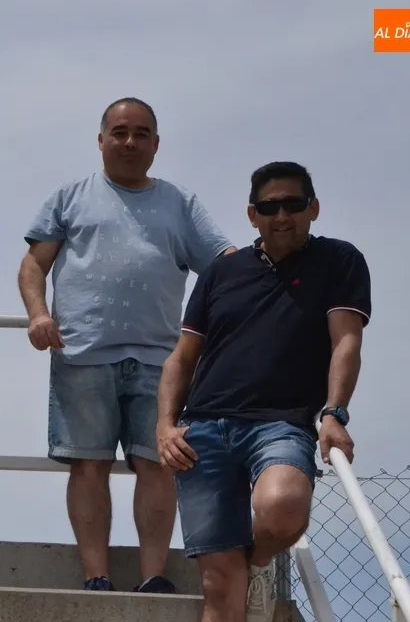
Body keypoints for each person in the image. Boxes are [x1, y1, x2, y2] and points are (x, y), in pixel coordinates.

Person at [17, 97, 236, 593]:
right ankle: (96, 576)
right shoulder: (70, 197)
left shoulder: (181, 203)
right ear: (101, 141)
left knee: (158, 466)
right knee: (88, 465)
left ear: (156, 144)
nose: (130, 142)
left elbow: (223, 266)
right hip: (82, 353)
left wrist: (267, 275)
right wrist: (38, 314)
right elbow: (33, 265)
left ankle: (153, 576)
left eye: (141, 134)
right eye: (119, 132)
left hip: (162, 360)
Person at [156, 161, 369, 622]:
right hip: (203, 429)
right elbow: (182, 358)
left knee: (283, 508)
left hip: (281, 423)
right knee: (218, 585)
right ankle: (242, 575)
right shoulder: (221, 273)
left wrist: (334, 412)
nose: (282, 216)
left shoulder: (338, 260)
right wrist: (165, 425)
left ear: (313, 208)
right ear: (252, 215)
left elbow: (346, 341)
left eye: (293, 204)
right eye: (269, 207)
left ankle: (257, 563)